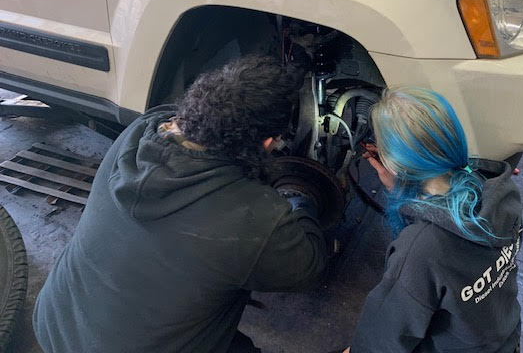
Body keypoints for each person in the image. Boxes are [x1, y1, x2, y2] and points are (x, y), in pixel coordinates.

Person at [33, 55, 327, 353]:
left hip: (57, 325)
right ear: (266, 143)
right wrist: (296, 197)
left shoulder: (140, 132)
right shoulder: (256, 219)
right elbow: (310, 265)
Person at [347, 87, 522, 353]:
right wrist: (403, 190)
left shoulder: (420, 250)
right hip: (504, 340)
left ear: (394, 164)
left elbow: (380, 340)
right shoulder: (499, 192)